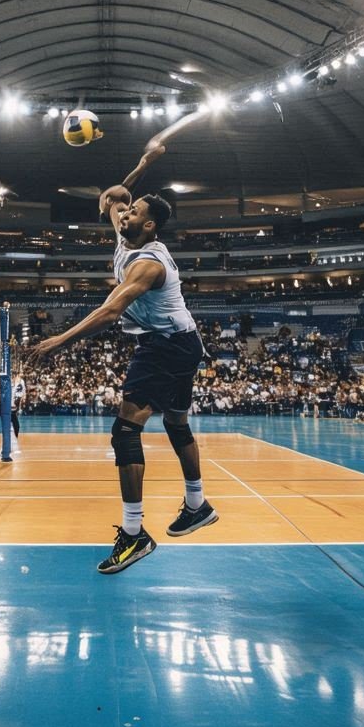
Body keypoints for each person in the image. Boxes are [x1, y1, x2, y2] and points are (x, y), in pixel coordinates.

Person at [29, 144, 217, 574]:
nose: (122, 213)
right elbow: (112, 195)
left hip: (167, 344)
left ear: (148, 225)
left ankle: (134, 536)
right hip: (184, 340)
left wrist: (60, 341)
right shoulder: (126, 229)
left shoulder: (147, 265)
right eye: (124, 211)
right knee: (176, 422)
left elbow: (111, 311)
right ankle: (197, 504)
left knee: (125, 430)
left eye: (132, 212)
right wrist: (143, 165)